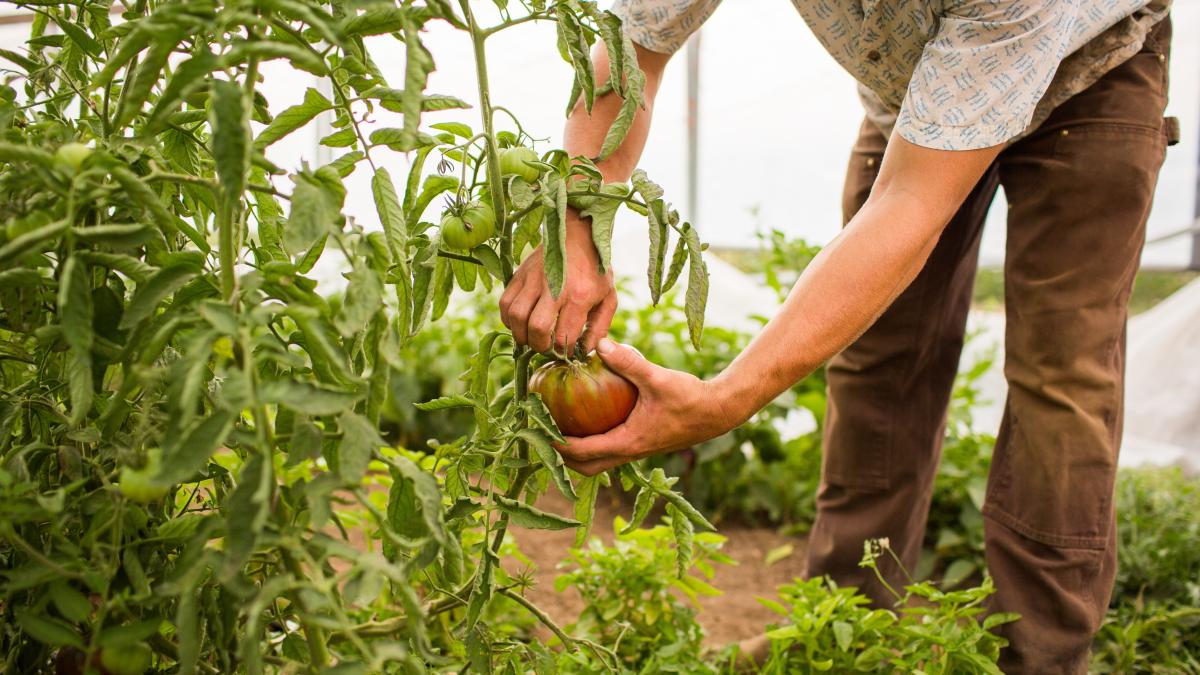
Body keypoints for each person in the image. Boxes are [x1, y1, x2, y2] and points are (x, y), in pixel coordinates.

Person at [497, 0, 1177, 671]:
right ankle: (843, 619)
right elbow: (632, 44)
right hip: (911, 95)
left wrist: (729, 398)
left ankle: (1039, 657)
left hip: (1089, 76)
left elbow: (911, 203)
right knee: (877, 355)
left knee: (1060, 378)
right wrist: (578, 217)